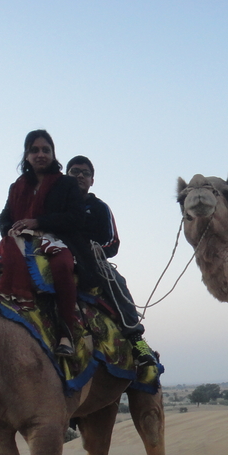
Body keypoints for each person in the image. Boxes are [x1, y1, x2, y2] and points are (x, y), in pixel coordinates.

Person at [0, 129, 83, 355]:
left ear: (53, 154)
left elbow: (76, 217)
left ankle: (66, 334)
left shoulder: (66, 184)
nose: (40, 154)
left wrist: (38, 222)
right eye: (34, 150)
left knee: (61, 267)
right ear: (26, 156)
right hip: (18, 244)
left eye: (46, 150)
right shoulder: (17, 187)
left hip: (55, 242)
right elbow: (4, 219)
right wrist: (13, 230)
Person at [64, 156, 155, 366]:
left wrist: (89, 253)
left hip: (93, 263)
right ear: (66, 177)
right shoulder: (56, 205)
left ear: (92, 180)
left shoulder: (99, 208)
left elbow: (113, 243)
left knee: (118, 285)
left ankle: (137, 342)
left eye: (85, 173)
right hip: (57, 255)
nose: (80, 176)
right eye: (75, 171)